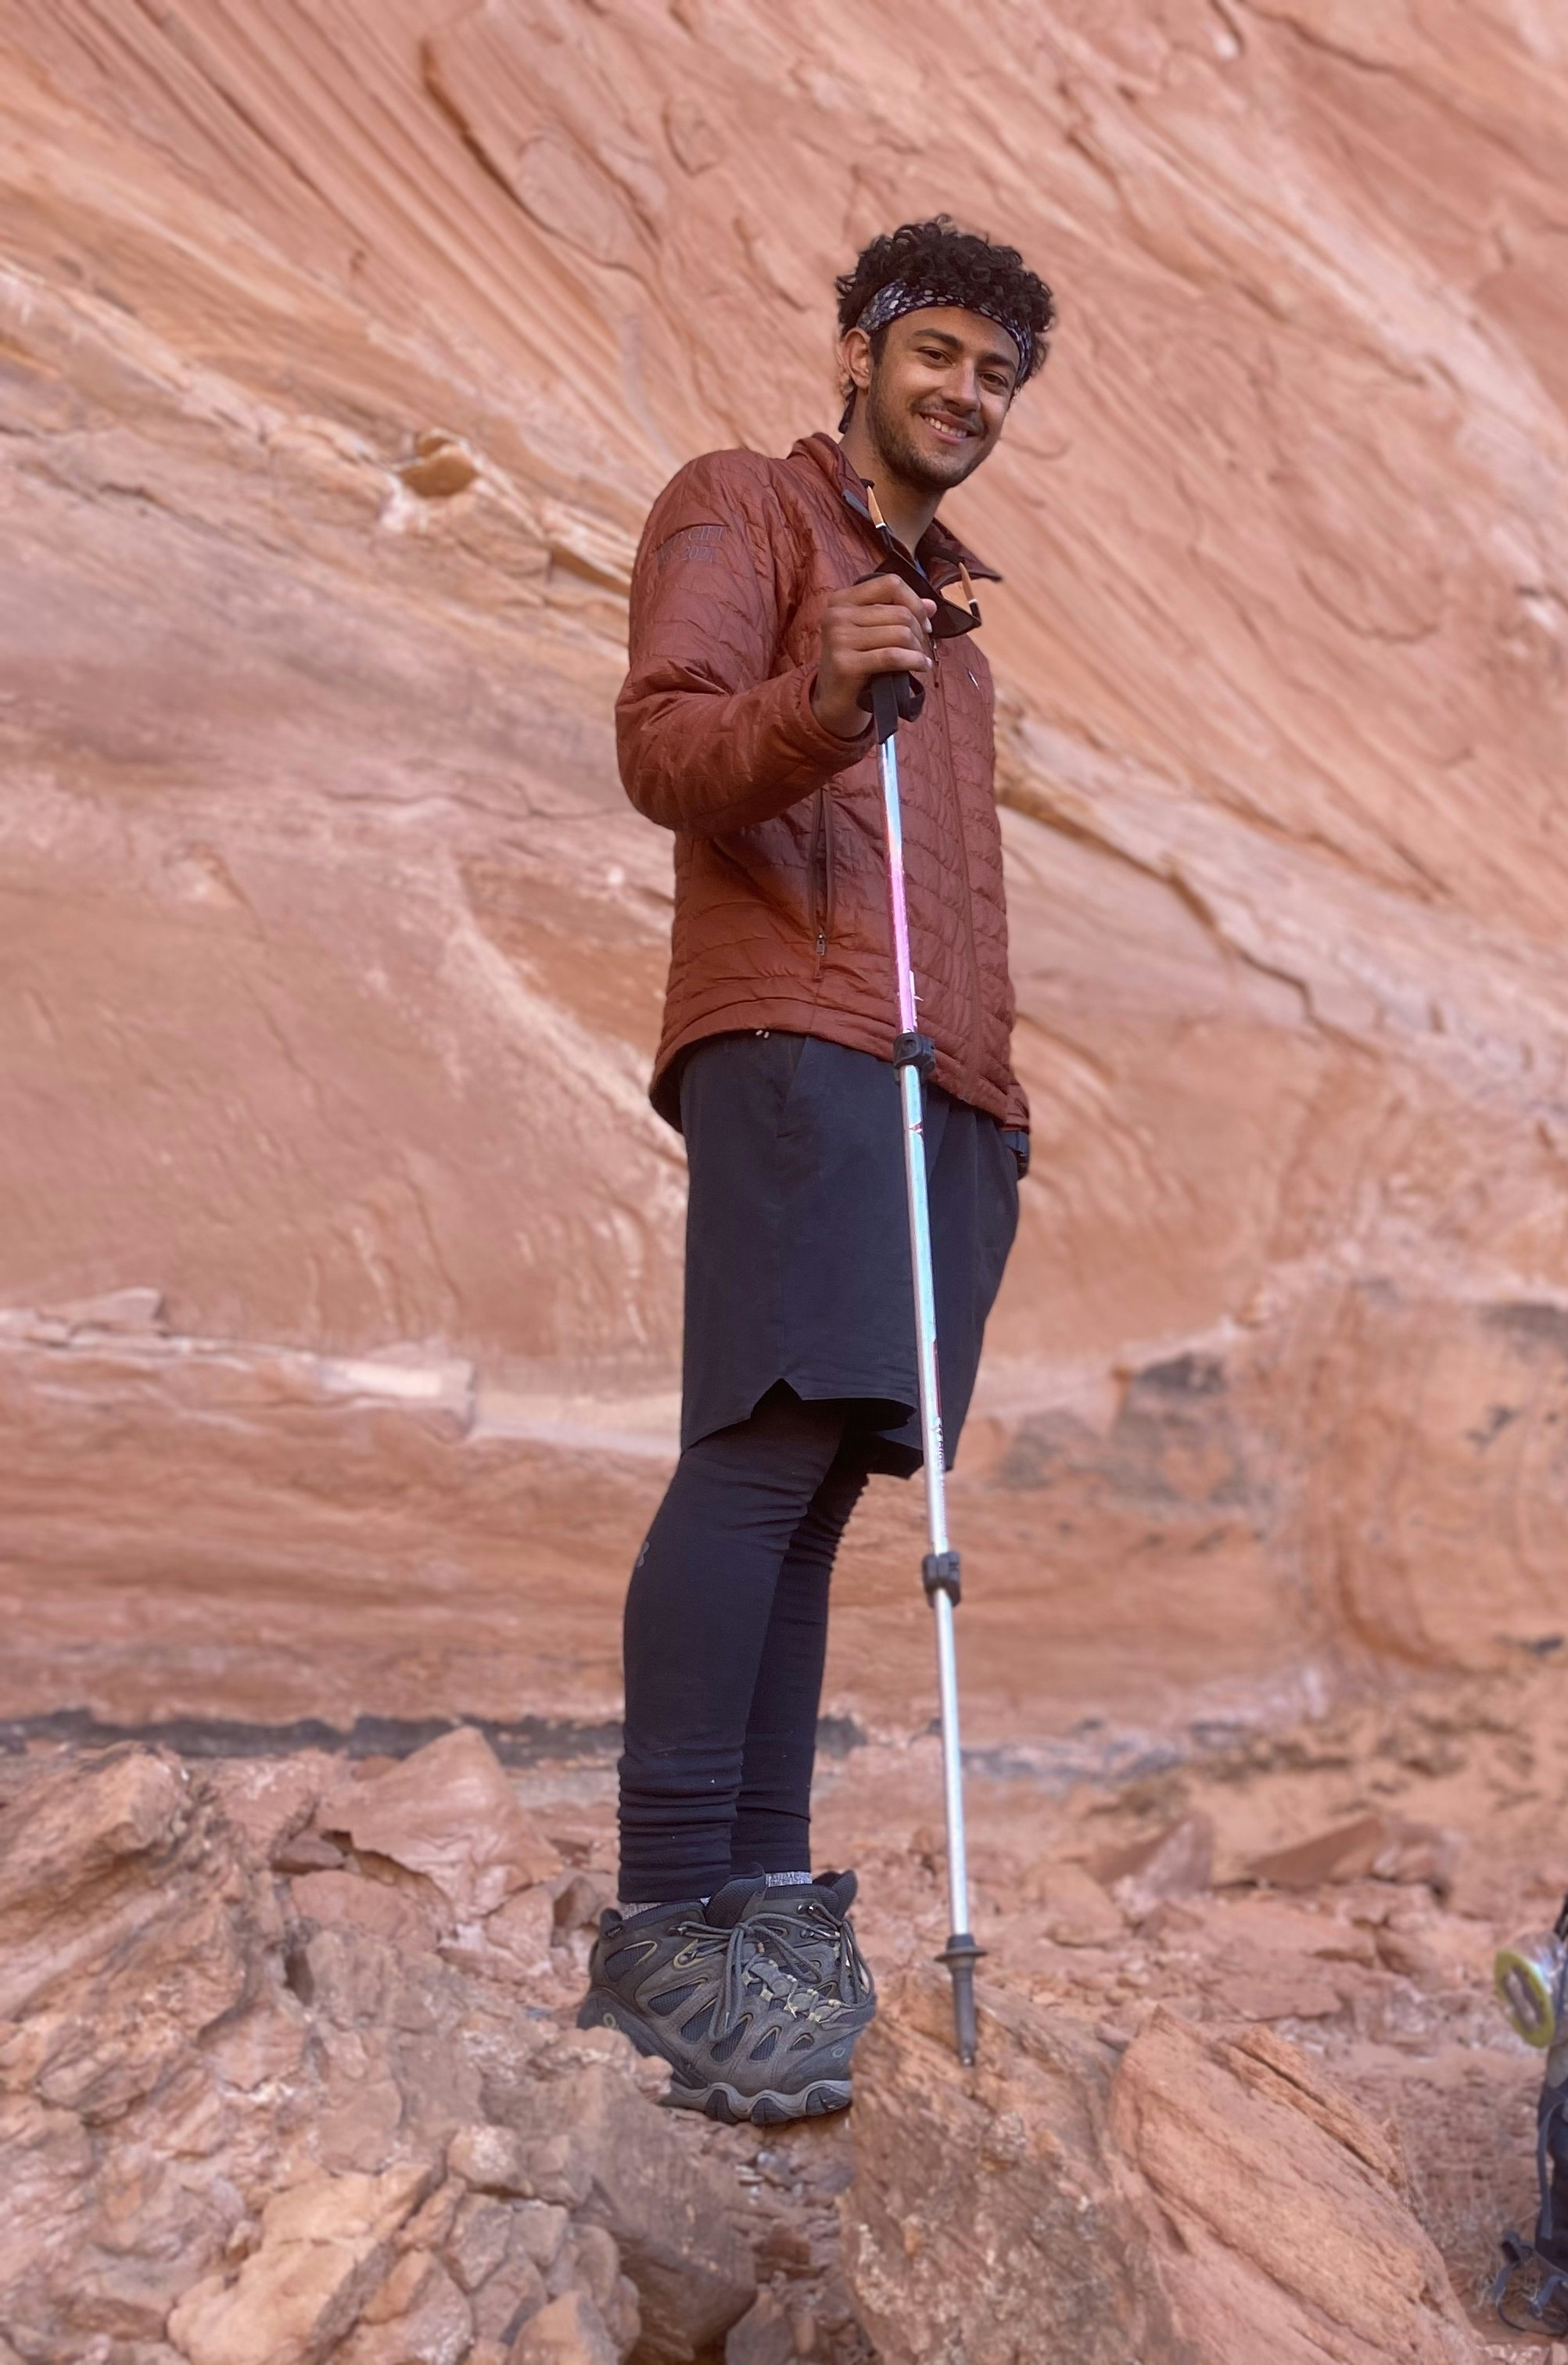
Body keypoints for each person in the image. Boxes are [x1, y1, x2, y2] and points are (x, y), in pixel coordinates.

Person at [574, 217, 1056, 2123]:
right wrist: (822, 695)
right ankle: (669, 1914)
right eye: (935, 353)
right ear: (859, 353)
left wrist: (998, 1098)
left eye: (996, 376)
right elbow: (665, 750)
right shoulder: (740, 514)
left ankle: (761, 1896)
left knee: (826, 1493)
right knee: (756, 1451)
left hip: (940, 1079)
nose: (964, 394)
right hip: (795, 1033)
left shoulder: (953, 622)